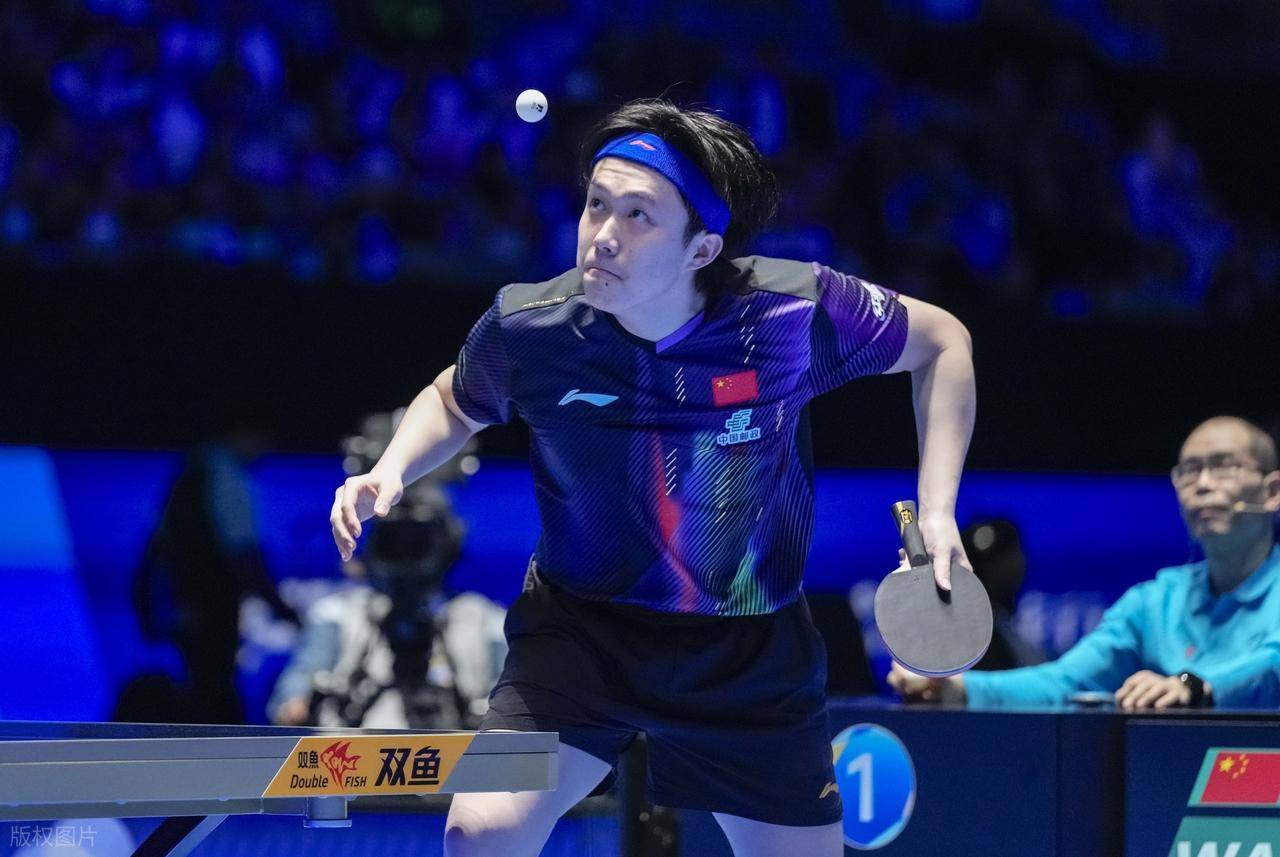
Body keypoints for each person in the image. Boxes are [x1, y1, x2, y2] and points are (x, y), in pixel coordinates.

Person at [330, 99, 976, 857]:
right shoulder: (534, 327)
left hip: (747, 651)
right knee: (480, 835)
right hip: (580, 634)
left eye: (638, 215)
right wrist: (392, 468)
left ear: (702, 248)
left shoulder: (789, 317)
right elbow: (455, 398)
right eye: (596, 205)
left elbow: (943, 342)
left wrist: (938, 512)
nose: (603, 234)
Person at [889, 416, 1280, 711]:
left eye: (1224, 466)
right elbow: (1065, 681)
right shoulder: (1154, 602)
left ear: (1272, 491)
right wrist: (957, 689)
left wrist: (1193, 686)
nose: (1203, 484)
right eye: (1190, 471)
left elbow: (1270, 664)